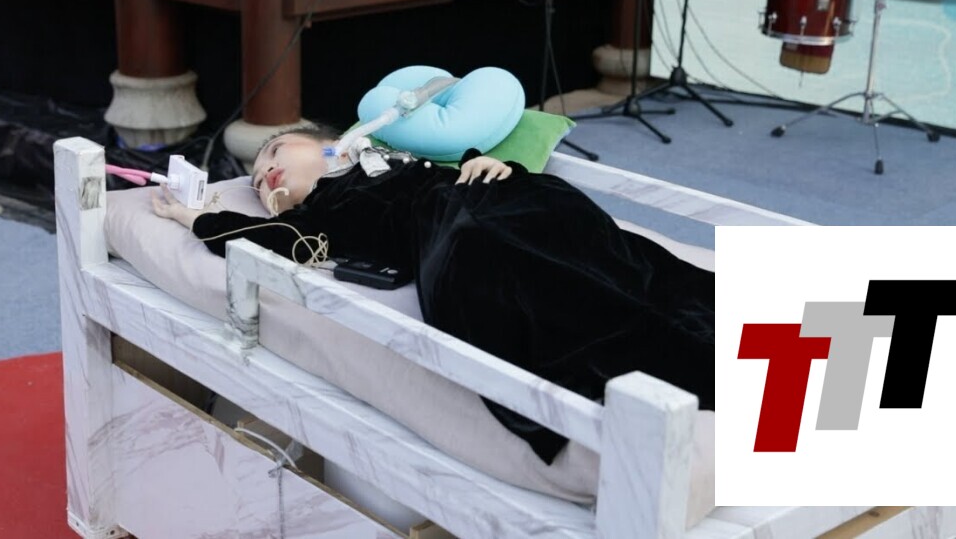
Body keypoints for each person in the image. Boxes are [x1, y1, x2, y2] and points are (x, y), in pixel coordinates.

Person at [152, 126, 714, 463]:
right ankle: (698, 373)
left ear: (325, 141)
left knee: (623, 261)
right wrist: (192, 216)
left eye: (274, 151)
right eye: (256, 181)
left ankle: (732, 338)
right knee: (533, 284)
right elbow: (271, 241)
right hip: (457, 231)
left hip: (508, 196)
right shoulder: (319, 214)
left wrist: (488, 162)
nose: (266, 172)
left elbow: (459, 164)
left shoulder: (388, 152)